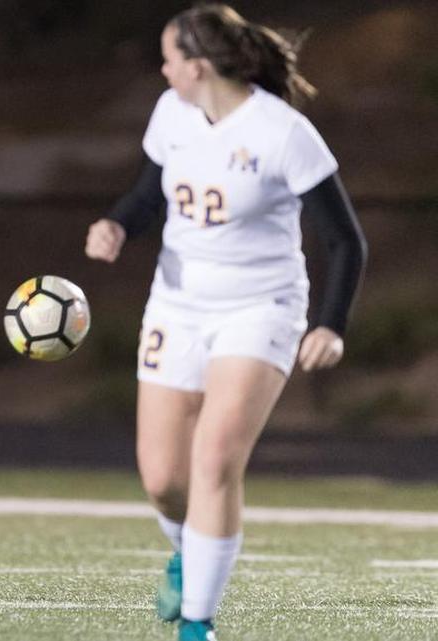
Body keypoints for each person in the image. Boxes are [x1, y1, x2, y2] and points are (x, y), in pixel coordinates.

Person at [84, 4, 367, 640]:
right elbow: (151, 190)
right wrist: (116, 225)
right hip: (179, 305)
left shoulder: (281, 132)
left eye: (170, 57)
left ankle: (196, 625)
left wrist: (331, 324)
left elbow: (345, 240)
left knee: (214, 460)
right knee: (164, 480)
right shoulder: (172, 112)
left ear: (200, 65)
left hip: (260, 307)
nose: (163, 68)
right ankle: (189, 550)